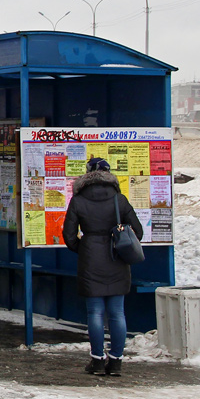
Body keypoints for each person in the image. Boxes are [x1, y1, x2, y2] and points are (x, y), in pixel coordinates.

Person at [63, 156, 142, 376]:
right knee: (117, 313)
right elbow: (138, 232)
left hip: (91, 260)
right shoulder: (120, 200)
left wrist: (85, 247)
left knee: (95, 313)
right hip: (117, 260)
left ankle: (97, 361)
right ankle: (116, 361)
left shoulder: (78, 201)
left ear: (87, 176)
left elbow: (68, 236)